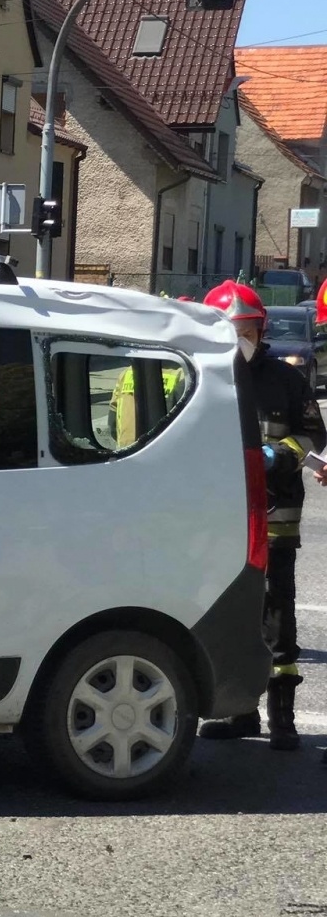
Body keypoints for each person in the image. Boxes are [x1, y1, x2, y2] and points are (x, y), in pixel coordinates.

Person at [199, 280, 324, 749]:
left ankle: (283, 719)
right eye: (231, 331)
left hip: (275, 514)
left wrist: (278, 455)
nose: (240, 340)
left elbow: (314, 436)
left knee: (276, 613)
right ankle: (240, 713)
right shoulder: (201, 375)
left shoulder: (286, 380)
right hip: (218, 518)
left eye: (247, 331)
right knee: (230, 613)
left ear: (261, 330)